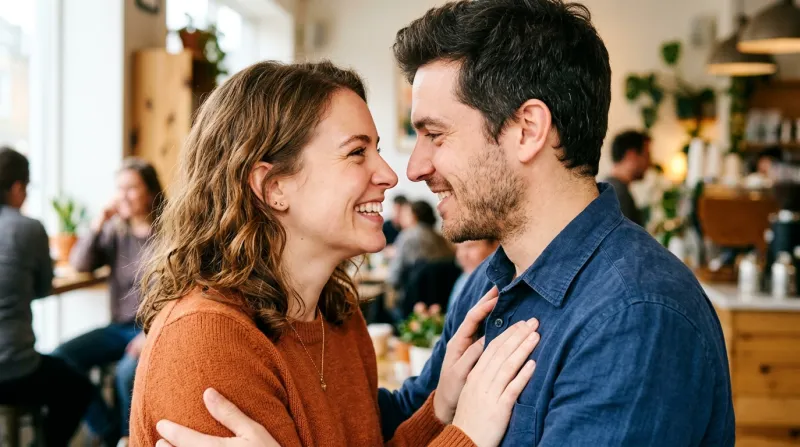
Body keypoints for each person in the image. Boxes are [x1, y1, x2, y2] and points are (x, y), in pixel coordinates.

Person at [165, 1, 735, 446]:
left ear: (527, 130)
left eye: (435, 134)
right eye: (358, 151)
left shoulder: (635, 319)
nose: (410, 169)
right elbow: (378, 427)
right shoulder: (490, 283)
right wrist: (446, 413)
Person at [130, 60, 541, 447]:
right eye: (356, 152)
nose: (389, 174)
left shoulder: (336, 312)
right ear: (273, 186)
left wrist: (440, 408)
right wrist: (465, 436)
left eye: (377, 149)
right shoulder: (206, 343)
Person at [53, 157, 164, 445]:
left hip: (152, 329)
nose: (122, 196)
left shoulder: (168, 233)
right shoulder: (116, 231)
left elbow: (177, 293)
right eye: (119, 188)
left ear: (150, 192)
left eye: (131, 188)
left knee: (127, 373)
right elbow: (80, 264)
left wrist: (148, 334)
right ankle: (108, 430)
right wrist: (97, 223)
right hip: (118, 328)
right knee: (62, 357)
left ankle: (131, 439)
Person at [0, 147, 93, 445]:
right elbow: (42, 289)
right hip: (13, 370)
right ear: (17, 188)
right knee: (78, 389)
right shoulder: (28, 228)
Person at [387, 200, 454, 290]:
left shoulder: (407, 236)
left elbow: (394, 275)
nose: (402, 219)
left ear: (414, 216)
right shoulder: (441, 237)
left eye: (406, 215)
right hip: (442, 293)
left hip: (414, 293)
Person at [604, 130, 651, 226]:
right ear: (631, 155)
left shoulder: (610, 189)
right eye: (647, 156)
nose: (650, 163)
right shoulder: (618, 195)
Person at [448, 239, 499, 310]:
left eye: (470, 246)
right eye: (457, 248)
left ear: (495, 245)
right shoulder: (463, 278)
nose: (461, 255)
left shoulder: (502, 282)